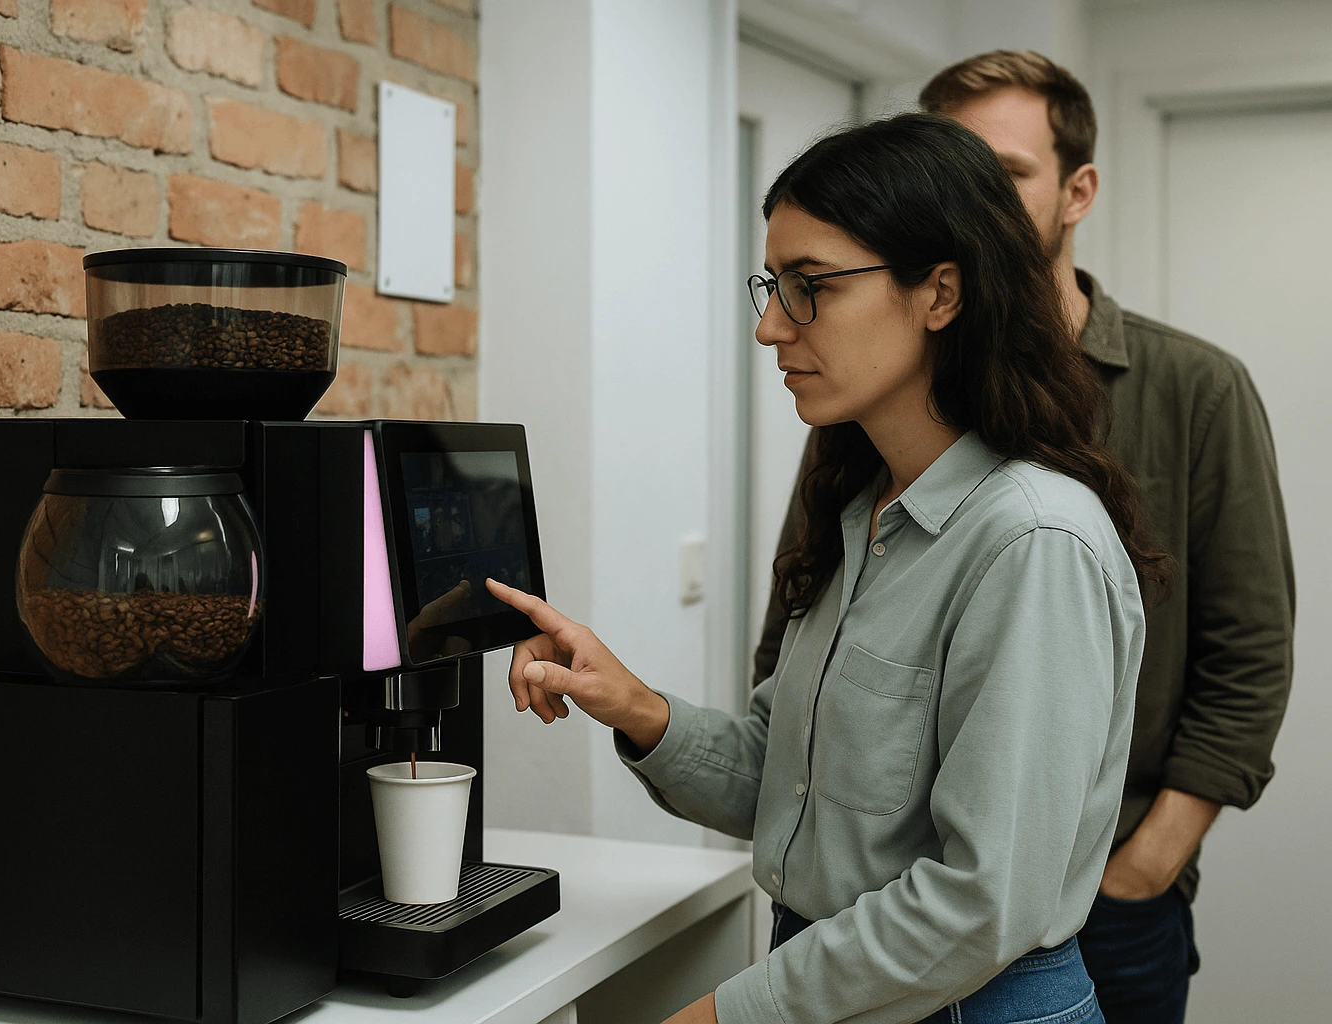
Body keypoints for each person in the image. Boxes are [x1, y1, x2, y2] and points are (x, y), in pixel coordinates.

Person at [488, 112, 1165, 1024]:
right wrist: (635, 707)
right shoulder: (866, 510)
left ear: (941, 293)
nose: (771, 326)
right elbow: (792, 787)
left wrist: (723, 1015)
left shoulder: (1032, 540)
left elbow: (979, 903)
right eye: (773, 286)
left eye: (811, 287)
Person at [750, 51, 1296, 1024]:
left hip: (1087, 901)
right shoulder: (865, 423)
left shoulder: (1173, 403)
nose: (971, 197)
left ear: (1076, 191)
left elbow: (1247, 654)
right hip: (878, 926)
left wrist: (1140, 865)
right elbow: (801, 645)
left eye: (1000, 172)